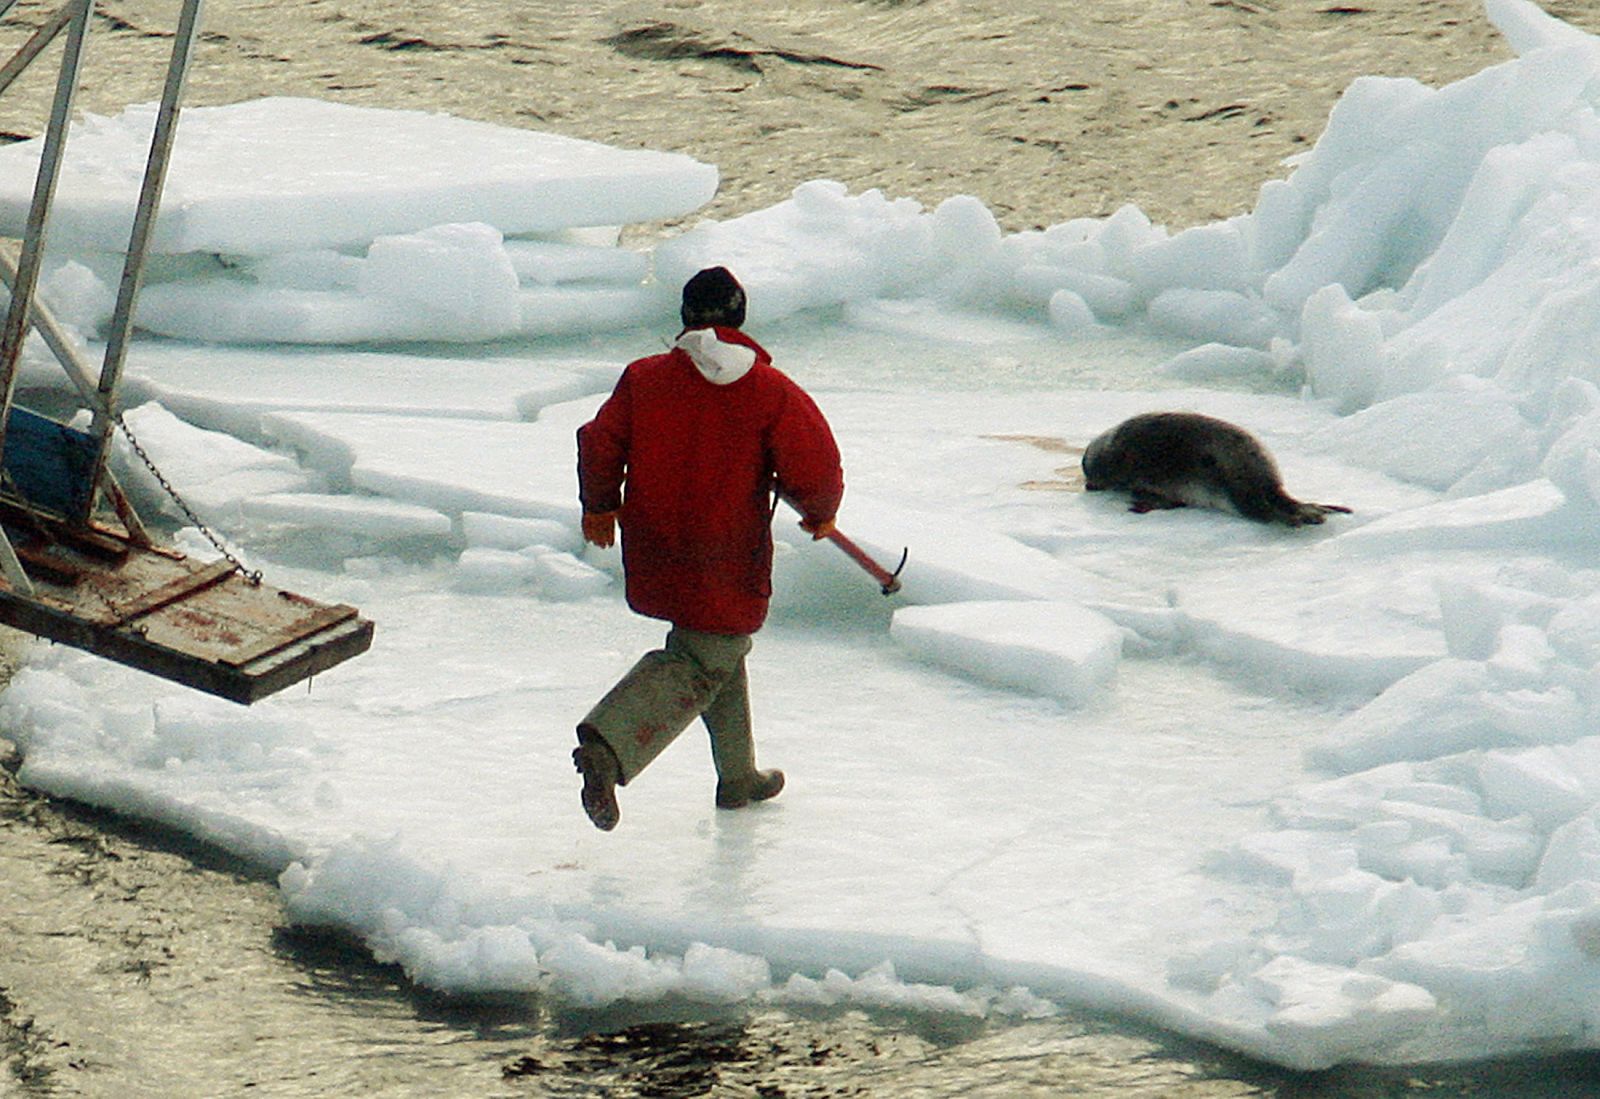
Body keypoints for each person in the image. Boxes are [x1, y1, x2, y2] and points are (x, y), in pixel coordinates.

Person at [572, 266, 845, 831]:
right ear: (740, 315)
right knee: (703, 654)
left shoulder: (643, 378)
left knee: (716, 647)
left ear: (684, 317)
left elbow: (600, 442)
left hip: (656, 541)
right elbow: (814, 461)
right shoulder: (770, 390)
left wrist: (600, 505)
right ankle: (608, 747)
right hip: (725, 550)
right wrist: (821, 512)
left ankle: (738, 776)